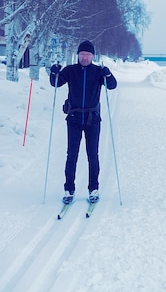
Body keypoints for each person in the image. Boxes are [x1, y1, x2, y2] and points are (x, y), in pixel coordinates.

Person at [49, 40, 117, 204]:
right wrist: (53, 72)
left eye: (88, 54)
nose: (85, 57)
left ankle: (93, 188)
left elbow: (112, 86)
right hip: (73, 118)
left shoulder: (98, 71)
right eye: (82, 54)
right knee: (72, 154)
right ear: (78, 55)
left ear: (92, 56)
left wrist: (107, 74)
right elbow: (56, 83)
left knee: (92, 154)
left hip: (93, 119)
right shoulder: (70, 70)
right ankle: (69, 189)